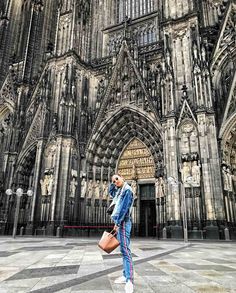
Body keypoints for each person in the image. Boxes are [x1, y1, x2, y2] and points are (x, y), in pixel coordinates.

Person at [109, 174, 134, 293]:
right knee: (123, 251)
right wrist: (112, 181)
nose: (115, 182)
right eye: (113, 181)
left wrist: (117, 223)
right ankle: (125, 275)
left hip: (124, 222)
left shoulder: (127, 191)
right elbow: (111, 192)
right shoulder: (119, 192)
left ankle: (129, 280)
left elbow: (124, 208)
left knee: (126, 251)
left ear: (122, 177)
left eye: (117, 179)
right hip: (120, 222)